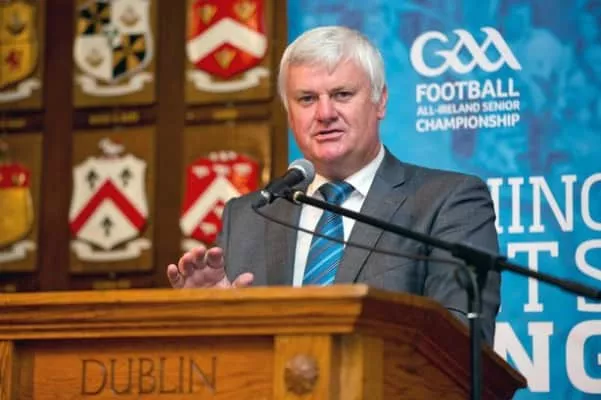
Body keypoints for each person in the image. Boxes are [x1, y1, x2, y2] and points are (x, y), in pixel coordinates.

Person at [167, 26, 501, 345]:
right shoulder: (248, 216)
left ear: (381, 101)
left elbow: (461, 345)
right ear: (289, 113)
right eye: (307, 99)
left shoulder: (448, 201)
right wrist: (214, 319)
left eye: (342, 94)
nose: (325, 113)